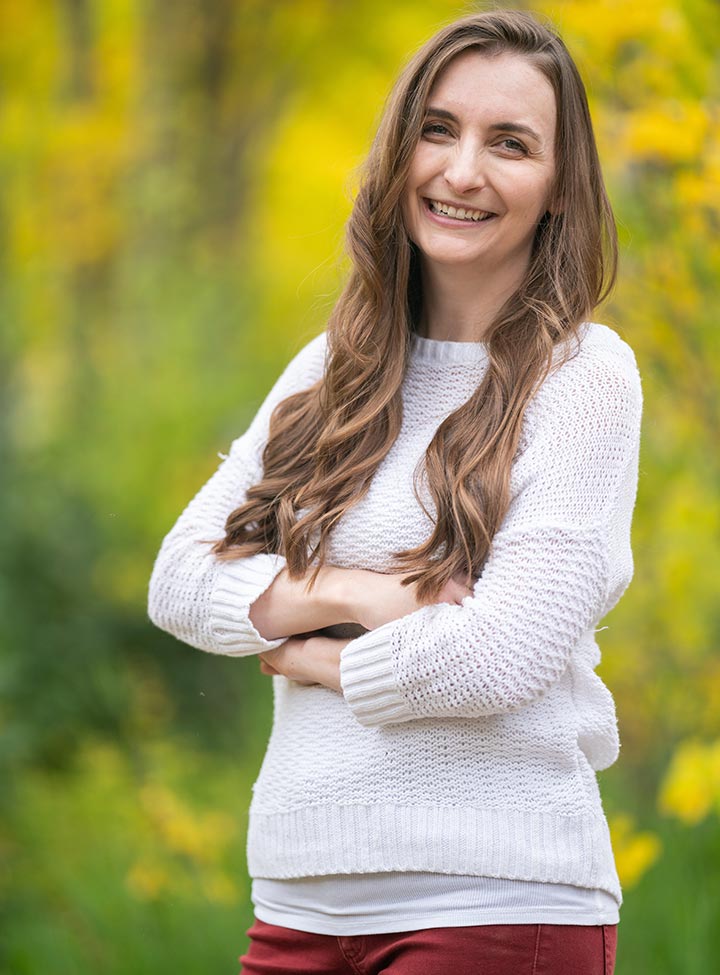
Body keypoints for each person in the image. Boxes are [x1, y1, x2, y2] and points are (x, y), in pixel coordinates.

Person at [147, 8, 642, 974]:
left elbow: (497, 658)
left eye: (511, 144)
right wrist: (360, 597)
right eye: (438, 128)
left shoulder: (585, 376)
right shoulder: (331, 368)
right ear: (399, 150)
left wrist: (318, 658)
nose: (463, 171)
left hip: (495, 902)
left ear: (556, 189)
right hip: (295, 896)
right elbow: (176, 580)